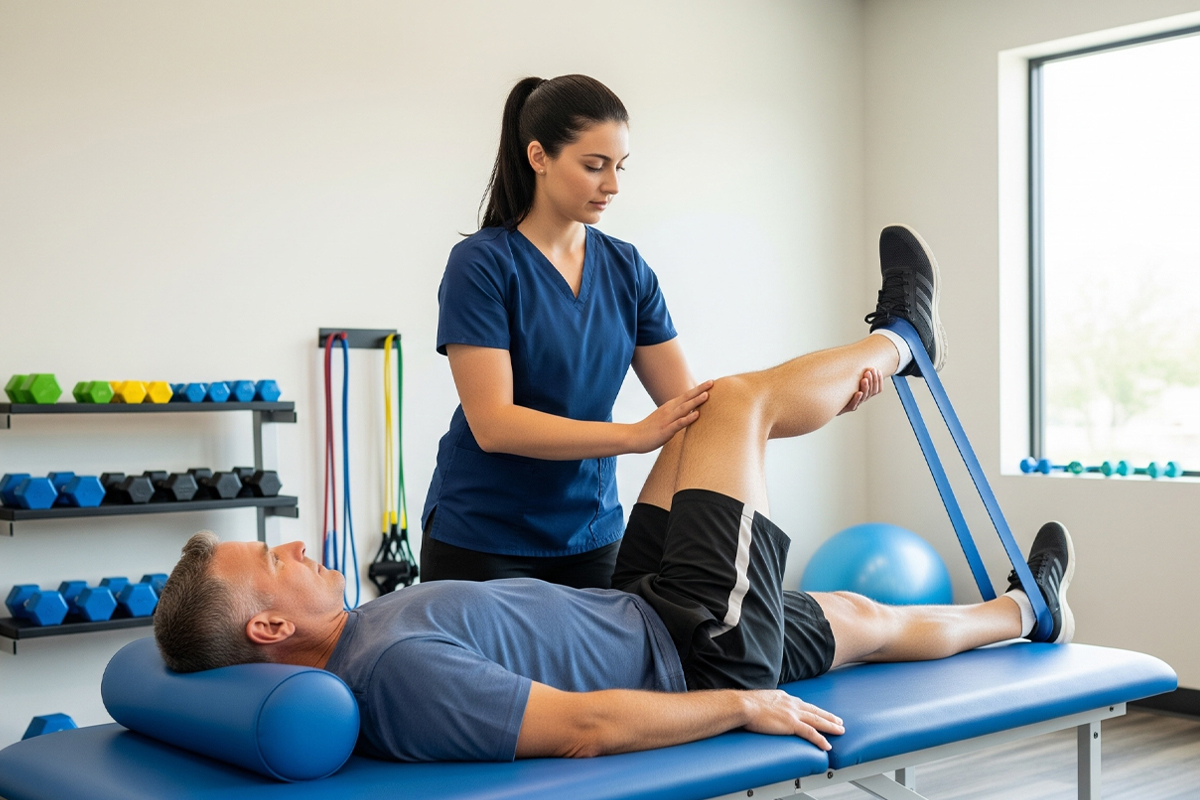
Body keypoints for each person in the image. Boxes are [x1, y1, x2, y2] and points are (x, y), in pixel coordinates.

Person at [154, 226, 1074, 763]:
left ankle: (1027, 614)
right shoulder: (392, 672)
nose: (302, 548)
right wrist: (740, 706)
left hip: (638, 607)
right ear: (268, 628)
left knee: (853, 606)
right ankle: (906, 340)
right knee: (741, 402)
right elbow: (582, 726)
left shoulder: (363, 636)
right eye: (277, 560)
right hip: (693, 651)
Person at [419, 74, 878, 588]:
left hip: (590, 537)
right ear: (539, 157)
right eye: (594, 166)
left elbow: (695, 409)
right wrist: (634, 436)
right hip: (483, 539)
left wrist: (828, 399)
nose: (612, 185)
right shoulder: (481, 263)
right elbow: (494, 424)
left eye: (619, 167)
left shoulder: (626, 268)